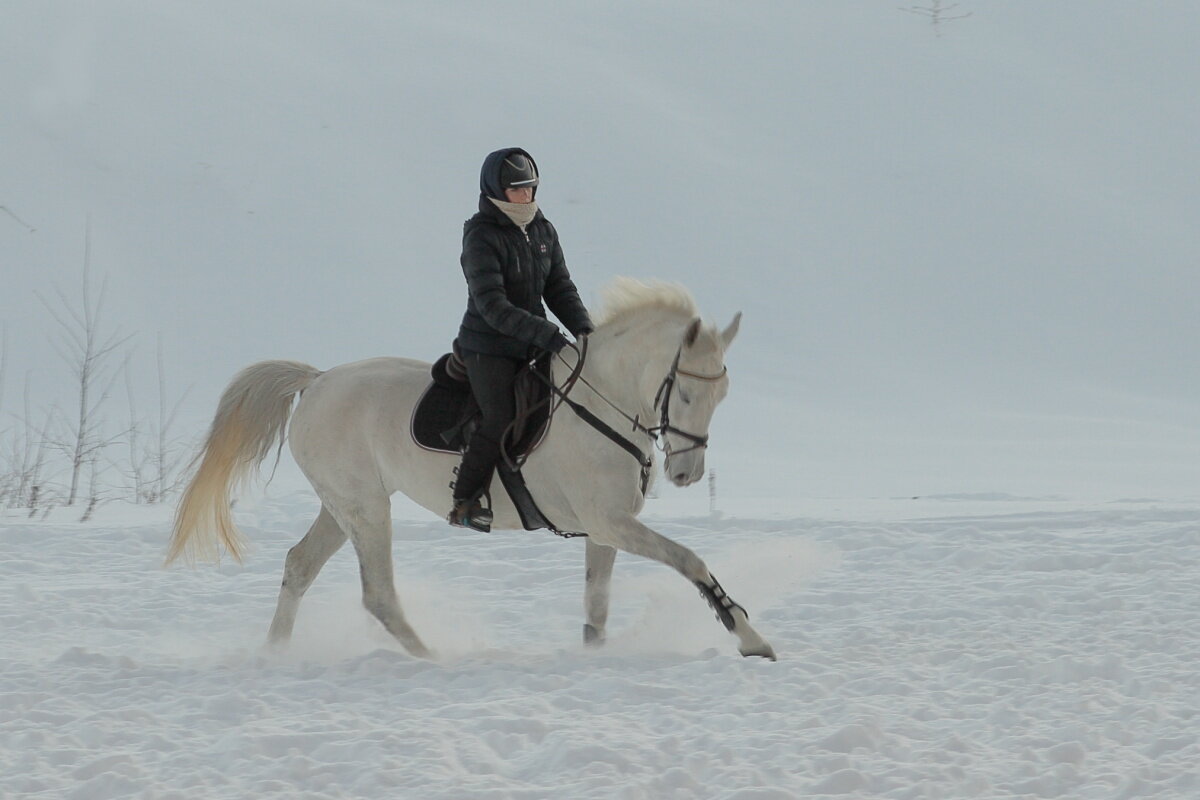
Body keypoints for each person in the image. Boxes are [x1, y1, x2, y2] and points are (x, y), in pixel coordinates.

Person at [448, 147, 593, 532]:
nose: (525, 196)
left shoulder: (543, 229)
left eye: (530, 188)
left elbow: (559, 287)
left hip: (532, 341)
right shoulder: (480, 236)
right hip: (488, 346)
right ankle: (465, 500)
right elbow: (492, 305)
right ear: (496, 189)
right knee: (500, 417)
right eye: (516, 190)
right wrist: (546, 333)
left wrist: (585, 331)